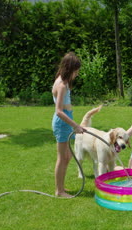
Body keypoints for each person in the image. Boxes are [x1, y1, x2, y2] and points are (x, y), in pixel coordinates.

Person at [52, 52, 86, 197]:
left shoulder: (62, 81)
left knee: (67, 157)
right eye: (76, 71)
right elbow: (59, 111)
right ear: (69, 68)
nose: (77, 74)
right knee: (62, 157)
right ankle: (59, 191)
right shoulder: (62, 85)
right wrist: (75, 126)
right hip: (62, 123)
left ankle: (62, 187)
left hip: (66, 121)